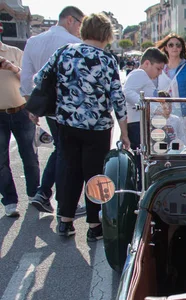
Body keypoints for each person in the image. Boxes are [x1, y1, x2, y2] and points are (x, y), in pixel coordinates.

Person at [34, 13, 129, 240]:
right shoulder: (107, 60)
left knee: (68, 170)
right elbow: (118, 99)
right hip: (97, 127)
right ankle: (94, 225)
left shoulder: (64, 52)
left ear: (84, 29)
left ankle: (65, 221)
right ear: (107, 34)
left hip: (67, 122)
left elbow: (40, 79)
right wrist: (124, 132)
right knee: (95, 174)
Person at [19, 6, 85, 216]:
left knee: (62, 149)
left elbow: (27, 77)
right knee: (66, 152)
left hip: (46, 106)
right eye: (79, 24)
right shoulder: (73, 44)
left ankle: (47, 194)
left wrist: (32, 107)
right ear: (69, 20)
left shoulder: (33, 41)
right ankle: (51, 195)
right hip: (68, 107)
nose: (79, 29)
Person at [0, 39, 40, 217]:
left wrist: (13, 68)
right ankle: (9, 201)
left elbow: (30, 79)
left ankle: (34, 194)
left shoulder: (14, 52)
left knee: (30, 156)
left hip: (21, 110)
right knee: (1, 161)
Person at [124, 47, 168, 186]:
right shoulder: (140, 74)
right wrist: (151, 107)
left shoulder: (142, 75)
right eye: (158, 68)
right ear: (147, 63)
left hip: (140, 123)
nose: (159, 73)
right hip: (138, 124)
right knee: (143, 161)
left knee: (144, 161)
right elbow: (127, 92)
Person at [156, 33, 186, 144]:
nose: (174, 47)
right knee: (162, 147)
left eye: (178, 45)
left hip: (184, 115)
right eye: (171, 45)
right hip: (163, 114)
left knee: (182, 146)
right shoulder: (160, 67)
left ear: (182, 48)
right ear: (166, 48)